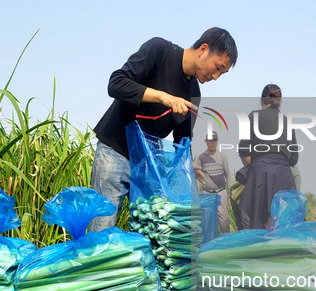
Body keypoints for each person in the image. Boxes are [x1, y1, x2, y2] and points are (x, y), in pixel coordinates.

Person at [88, 28, 238, 231]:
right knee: (101, 229)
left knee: (151, 227)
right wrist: (163, 97)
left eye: (223, 73)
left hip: (145, 164)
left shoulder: (194, 93)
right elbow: (116, 84)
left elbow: (183, 140)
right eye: (218, 67)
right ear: (203, 50)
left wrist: (187, 164)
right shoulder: (159, 50)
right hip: (115, 151)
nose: (217, 76)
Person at [237, 84, 298, 230]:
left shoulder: (253, 116)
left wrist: (255, 166)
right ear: (280, 101)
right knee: (283, 225)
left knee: (257, 224)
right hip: (284, 177)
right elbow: (294, 158)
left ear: (261, 100)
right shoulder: (288, 122)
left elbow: (244, 150)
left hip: (259, 175)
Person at [195, 131, 233, 233]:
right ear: (206, 141)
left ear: (217, 141)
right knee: (207, 220)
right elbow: (197, 176)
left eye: (214, 141)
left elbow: (228, 173)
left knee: (224, 221)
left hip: (221, 192)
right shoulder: (201, 157)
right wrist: (197, 193)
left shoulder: (222, 155)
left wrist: (231, 192)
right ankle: (209, 244)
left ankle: (225, 242)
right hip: (207, 193)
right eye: (210, 141)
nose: (212, 143)